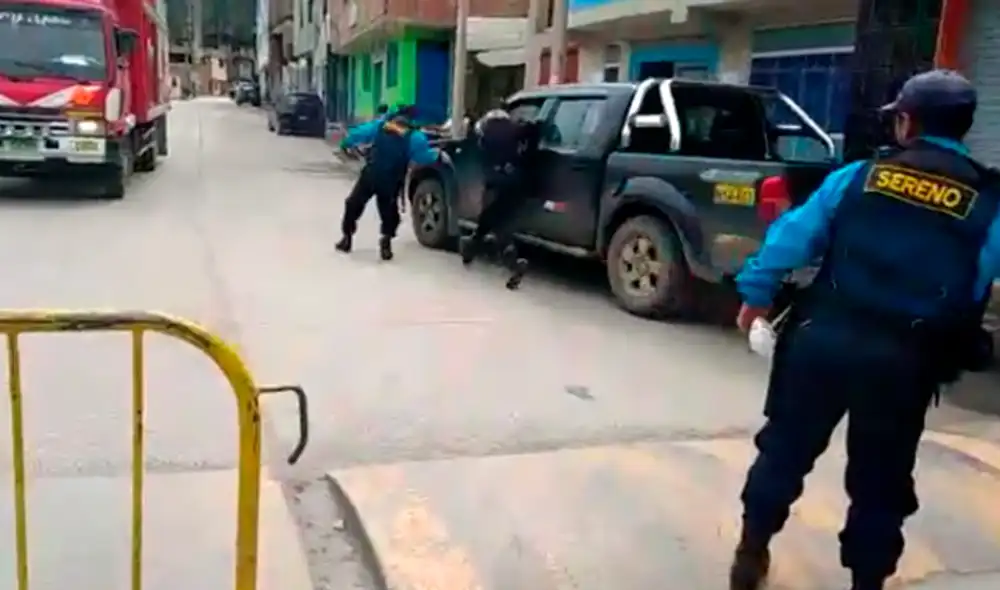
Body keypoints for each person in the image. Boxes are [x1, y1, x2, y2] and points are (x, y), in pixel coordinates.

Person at [729, 69, 1000, 590]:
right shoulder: (988, 203)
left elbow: (791, 239)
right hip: (904, 362)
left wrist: (754, 297)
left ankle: (750, 553)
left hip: (821, 341)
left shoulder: (856, 176)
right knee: (881, 481)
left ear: (906, 122)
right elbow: (975, 287)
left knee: (784, 452)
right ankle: (867, 582)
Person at [335, 105, 440, 260]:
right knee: (389, 213)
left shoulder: (380, 127)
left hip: (371, 174)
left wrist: (346, 144)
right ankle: (386, 241)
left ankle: (347, 238)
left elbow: (356, 135)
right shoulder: (414, 136)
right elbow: (422, 158)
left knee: (353, 204)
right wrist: (436, 154)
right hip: (391, 180)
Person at [458, 109, 543, 289]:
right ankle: (474, 247)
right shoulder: (515, 129)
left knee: (493, 222)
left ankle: (512, 260)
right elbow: (533, 132)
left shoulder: (483, 132)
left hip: (493, 182)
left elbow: (475, 153)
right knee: (498, 220)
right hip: (514, 182)